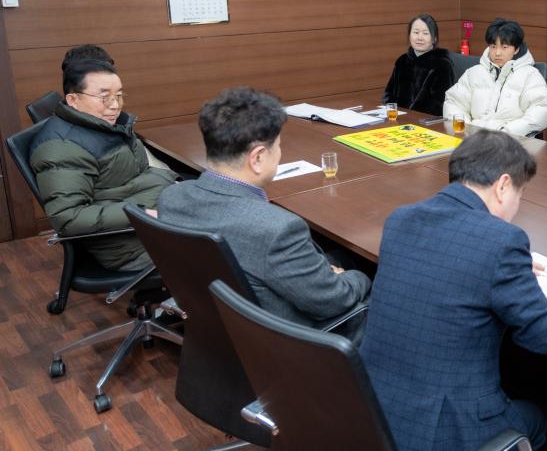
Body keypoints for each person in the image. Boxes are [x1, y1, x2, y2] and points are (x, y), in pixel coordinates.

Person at [361, 130, 547, 451]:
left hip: (373, 416)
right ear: (503, 185)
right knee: (541, 415)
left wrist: (509, 268)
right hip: (445, 438)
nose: (518, 205)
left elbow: (451, 259)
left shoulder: (401, 219)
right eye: (521, 193)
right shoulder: (503, 241)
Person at [157, 87, 371, 342]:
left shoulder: (172, 198)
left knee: (337, 255)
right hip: (293, 341)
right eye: (279, 146)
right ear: (257, 157)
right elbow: (334, 302)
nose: (280, 153)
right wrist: (355, 277)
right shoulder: (276, 229)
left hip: (226, 322)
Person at [30, 59, 177, 271]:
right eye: (104, 97)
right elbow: (69, 218)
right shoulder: (62, 148)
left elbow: (134, 178)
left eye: (119, 96)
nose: (115, 105)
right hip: (130, 245)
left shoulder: (104, 126)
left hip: (153, 218)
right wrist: (143, 214)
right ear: (73, 100)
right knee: (227, 244)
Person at [443, 18, 547, 137]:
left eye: (504, 47)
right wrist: (467, 129)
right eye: (493, 47)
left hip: (511, 141)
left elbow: (541, 110)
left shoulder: (530, 76)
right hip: (473, 139)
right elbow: (454, 103)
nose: (497, 53)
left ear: (516, 49)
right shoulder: (474, 73)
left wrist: (508, 132)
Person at [382, 14, 455, 116]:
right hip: (397, 120)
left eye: (425, 33)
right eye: (416, 32)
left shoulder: (442, 65)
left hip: (425, 123)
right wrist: (392, 111)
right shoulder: (402, 61)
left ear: (434, 39)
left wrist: (409, 116)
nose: (419, 37)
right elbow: (388, 94)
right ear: (409, 36)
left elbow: (439, 105)